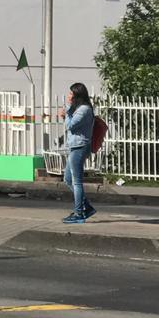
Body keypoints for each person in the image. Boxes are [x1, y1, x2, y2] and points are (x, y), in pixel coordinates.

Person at [63, 82, 96, 224]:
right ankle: (86, 207)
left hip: (80, 147)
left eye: (71, 93)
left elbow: (70, 125)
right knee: (68, 179)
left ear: (77, 95)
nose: (69, 96)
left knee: (76, 182)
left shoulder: (84, 109)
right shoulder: (79, 109)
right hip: (75, 146)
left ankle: (79, 213)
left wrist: (67, 110)